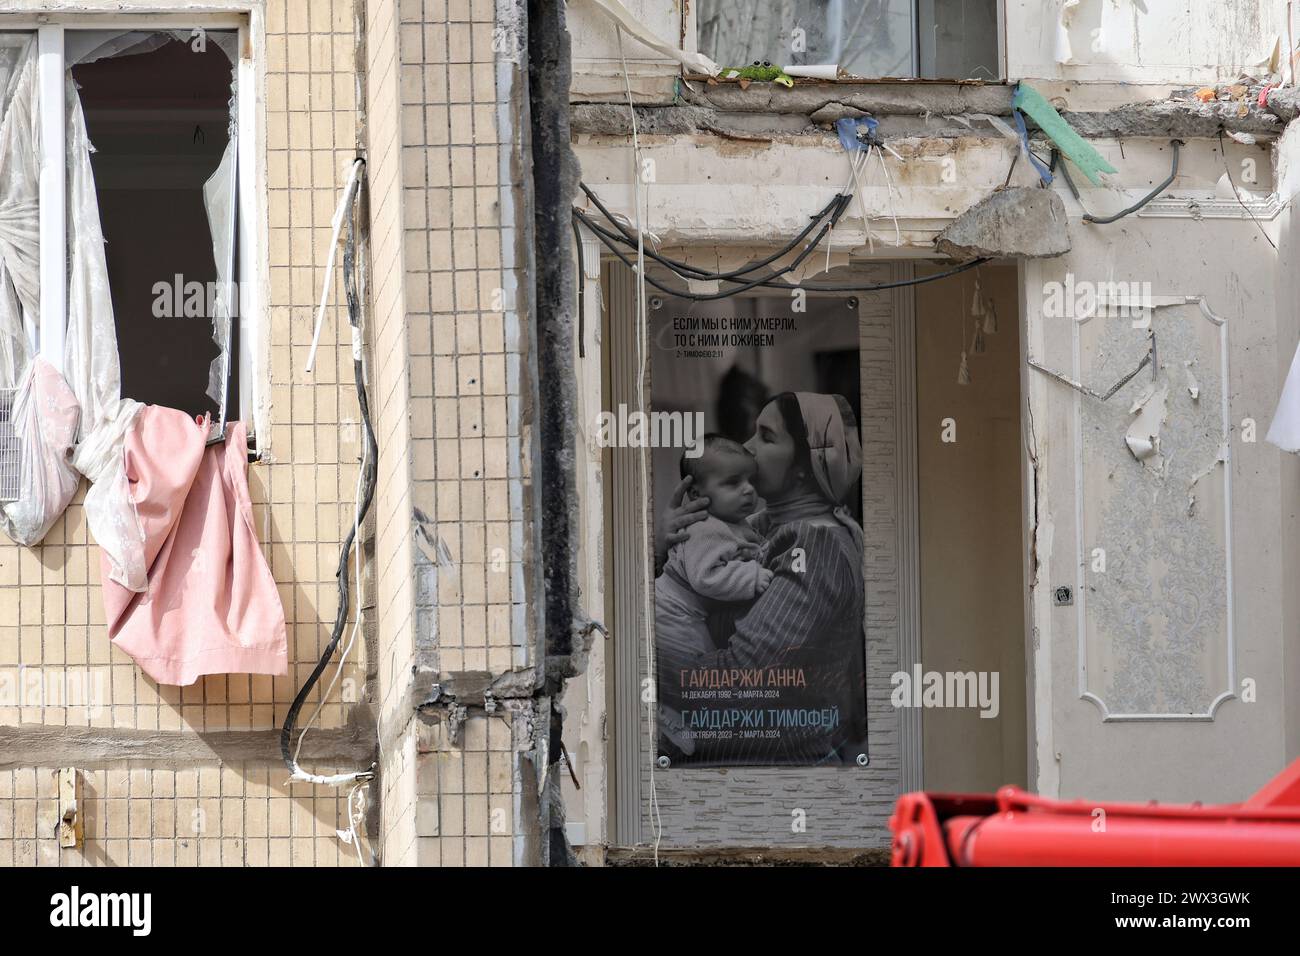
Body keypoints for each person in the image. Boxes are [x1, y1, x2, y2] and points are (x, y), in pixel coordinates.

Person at [655, 391, 867, 764]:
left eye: (766, 437)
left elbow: (743, 680)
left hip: (776, 773)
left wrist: (638, 666)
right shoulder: (762, 524)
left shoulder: (816, 546)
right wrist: (669, 541)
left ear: (807, 464)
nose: (748, 449)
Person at [655, 436, 774, 753]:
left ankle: (677, 717)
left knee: (699, 671)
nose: (748, 489)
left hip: (686, 613)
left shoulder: (730, 521)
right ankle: (666, 718)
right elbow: (707, 577)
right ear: (696, 494)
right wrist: (751, 577)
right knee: (692, 675)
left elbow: (750, 543)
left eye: (751, 479)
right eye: (733, 482)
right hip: (672, 614)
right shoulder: (703, 527)